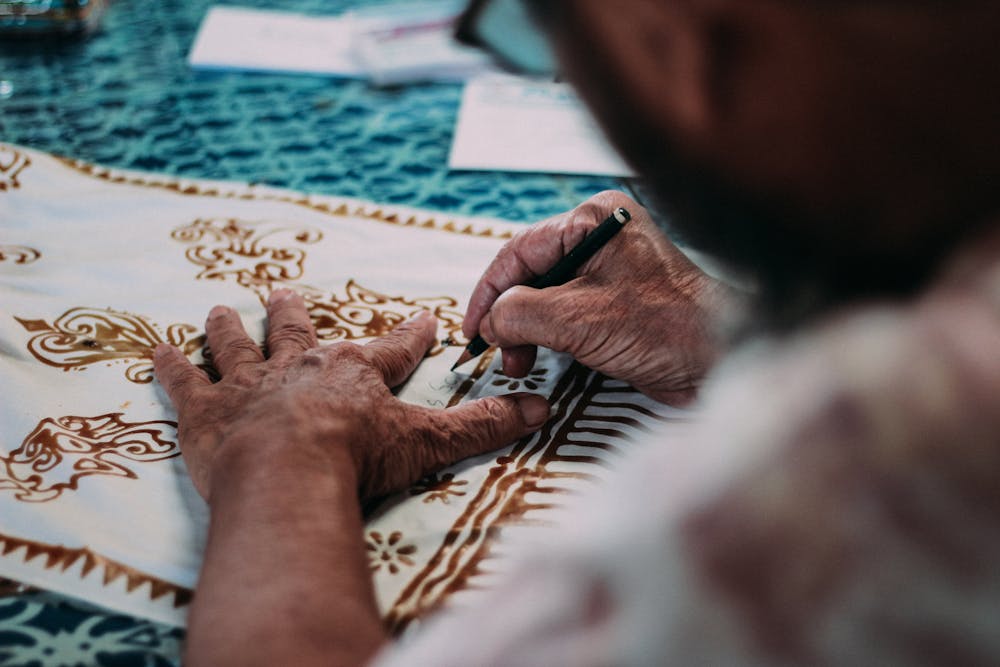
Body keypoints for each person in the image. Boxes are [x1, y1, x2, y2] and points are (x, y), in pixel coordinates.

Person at [153, 0, 1000, 664]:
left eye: (540, 30)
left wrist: (284, 456)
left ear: (683, 49)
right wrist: (717, 332)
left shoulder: (865, 457)